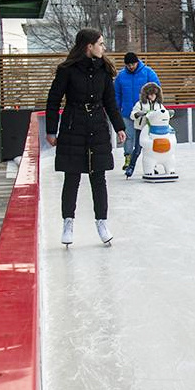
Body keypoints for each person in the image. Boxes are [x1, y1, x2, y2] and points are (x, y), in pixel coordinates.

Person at [45, 29, 126, 245]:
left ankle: (102, 223)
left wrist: (119, 126)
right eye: (100, 43)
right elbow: (53, 101)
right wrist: (51, 130)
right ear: (88, 46)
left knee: (98, 178)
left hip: (97, 128)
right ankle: (68, 223)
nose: (104, 47)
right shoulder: (67, 70)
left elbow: (110, 102)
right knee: (72, 178)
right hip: (74, 127)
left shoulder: (104, 71)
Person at [114, 51, 160, 177]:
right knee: (128, 137)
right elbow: (116, 94)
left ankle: (152, 163)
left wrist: (154, 106)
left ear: (137, 62)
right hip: (128, 112)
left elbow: (156, 88)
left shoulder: (148, 72)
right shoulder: (121, 76)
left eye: (133, 64)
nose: (131, 67)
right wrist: (117, 109)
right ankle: (128, 159)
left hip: (146, 113)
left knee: (148, 138)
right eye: (128, 65)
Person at [127, 81, 173, 178]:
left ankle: (153, 167)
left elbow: (164, 113)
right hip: (141, 129)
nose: (152, 96)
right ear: (146, 95)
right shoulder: (140, 104)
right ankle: (130, 167)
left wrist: (169, 114)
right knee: (138, 149)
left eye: (154, 94)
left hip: (153, 131)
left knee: (153, 149)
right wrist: (138, 114)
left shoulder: (159, 105)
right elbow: (132, 115)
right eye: (149, 94)